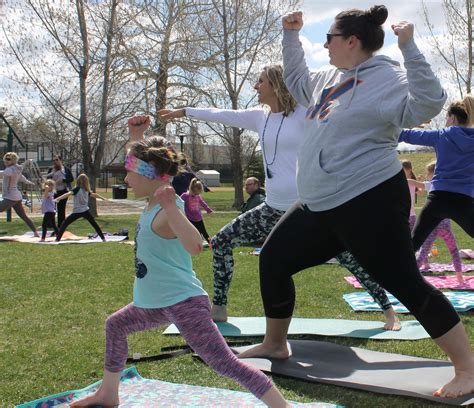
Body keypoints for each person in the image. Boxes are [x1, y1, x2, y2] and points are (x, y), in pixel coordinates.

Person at [238, 7, 474, 399]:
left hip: (370, 200)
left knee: (403, 282)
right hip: (319, 203)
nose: (325, 44)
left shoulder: (388, 79)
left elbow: (430, 100)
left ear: (351, 41)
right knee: (274, 258)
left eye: (329, 37)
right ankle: (275, 343)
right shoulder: (331, 77)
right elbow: (296, 81)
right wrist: (291, 37)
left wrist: (410, 46)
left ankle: (467, 368)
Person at [70, 114, 289, 408]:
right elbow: (143, 166)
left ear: (149, 176)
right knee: (116, 325)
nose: (124, 179)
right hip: (155, 302)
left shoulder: (165, 210)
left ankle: (281, 406)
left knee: (224, 363)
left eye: (128, 173)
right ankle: (109, 393)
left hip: (183, 303)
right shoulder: (152, 200)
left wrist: (172, 207)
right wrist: (136, 136)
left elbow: (195, 246)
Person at [159, 64, 400, 331]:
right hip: (271, 208)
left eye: (260, 82)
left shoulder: (305, 113)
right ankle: (219, 307)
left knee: (349, 259)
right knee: (223, 241)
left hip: (310, 210)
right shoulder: (260, 117)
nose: (255, 87)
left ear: (276, 84)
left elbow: (344, 112)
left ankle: (388, 311)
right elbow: (222, 114)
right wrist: (184, 112)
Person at [400, 94, 474, 281]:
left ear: (451, 117)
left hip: (438, 199)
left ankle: (394, 279)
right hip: (464, 201)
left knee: (412, 244)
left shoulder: (442, 135)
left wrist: (411, 122)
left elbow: (405, 135)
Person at [407, 161, 463, 284]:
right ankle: (460, 279)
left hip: (433, 225)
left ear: (433, 173)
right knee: (454, 250)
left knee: (422, 252)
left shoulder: (431, 184)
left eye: (428, 173)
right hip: (446, 224)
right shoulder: (447, 185)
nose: (427, 175)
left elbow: (413, 183)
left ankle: (411, 279)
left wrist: (401, 180)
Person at [54, 174, 107, 242]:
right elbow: (94, 195)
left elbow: (67, 194)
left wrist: (58, 198)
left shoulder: (77, 189)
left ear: (78, 181)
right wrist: (102, 197)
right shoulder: (86, 190)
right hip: (85, 211)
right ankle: (103, 238)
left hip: (77, 211)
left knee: (64, 223)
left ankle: (57, 239)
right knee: (94, 224)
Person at [0, 152, 39, 236]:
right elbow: (22, 178)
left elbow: (3, 173)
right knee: (23, 216)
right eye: (5, 159)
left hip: (11, 197)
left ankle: (35, 232)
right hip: (16, 197)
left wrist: (28, 182)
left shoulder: (10, 169)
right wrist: (29, 182)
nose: (6, 161)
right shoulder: (16, 169)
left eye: (8, 159)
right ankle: (35, 232)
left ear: (13, 160)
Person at [180, 178, 213, 244]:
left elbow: (202, 203)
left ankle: (211, 243)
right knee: (193, 232)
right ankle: (191, 243)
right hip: (190, 218)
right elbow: (179, 203)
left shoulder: (198, 196)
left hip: (198, 218)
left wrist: (208, 210)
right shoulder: (185, 196)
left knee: (203, 232)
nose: (198, 194)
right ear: (194, 189)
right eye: (198, 192)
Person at [47, 155, 74, 227]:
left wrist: (63, 180)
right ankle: (51, 224)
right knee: (51, 209)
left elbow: (71, 179)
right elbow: (47, 179)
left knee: (61, 209)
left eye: (57, 160)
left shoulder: (65, 169)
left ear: (61, 161)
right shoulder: (51, 170)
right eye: (54, 160)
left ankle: (61, 225)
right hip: (53, 192)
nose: (55, 161)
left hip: (63, 191)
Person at [401, 160, 418, 231]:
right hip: (403, 215)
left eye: (402, 169)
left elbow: (420, 193)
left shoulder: (411, 181)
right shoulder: (401, 181)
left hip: (411, 216)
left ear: (409, 170)